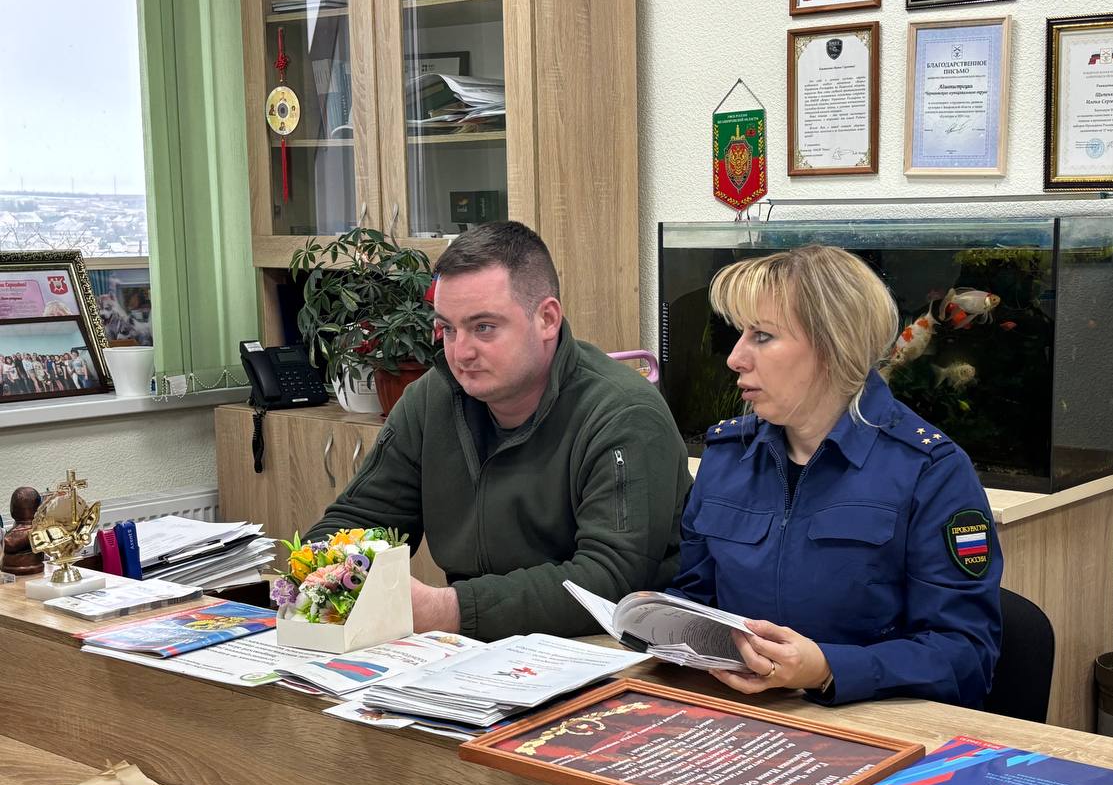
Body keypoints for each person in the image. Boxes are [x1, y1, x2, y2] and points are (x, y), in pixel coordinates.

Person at [307, 221, 692, 640]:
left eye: (484, 327)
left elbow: (611, 579)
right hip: (474, 648)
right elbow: (359, 519)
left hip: (607, 650)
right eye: (448, 329)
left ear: (547, 319)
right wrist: (319, 573)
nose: (460, 352)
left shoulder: (623, 413)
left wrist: (448, 609)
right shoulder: (431, 398)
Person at [667, 245, 1002, 708]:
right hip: (738, 715)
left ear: (833, 344)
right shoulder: (728, 455)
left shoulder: (931, 471)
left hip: (869, 724)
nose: (735, 358)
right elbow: (695, 596)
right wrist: (658, 618)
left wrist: (827, 669)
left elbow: (967, 655)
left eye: (762, 336)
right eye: (739, 333)